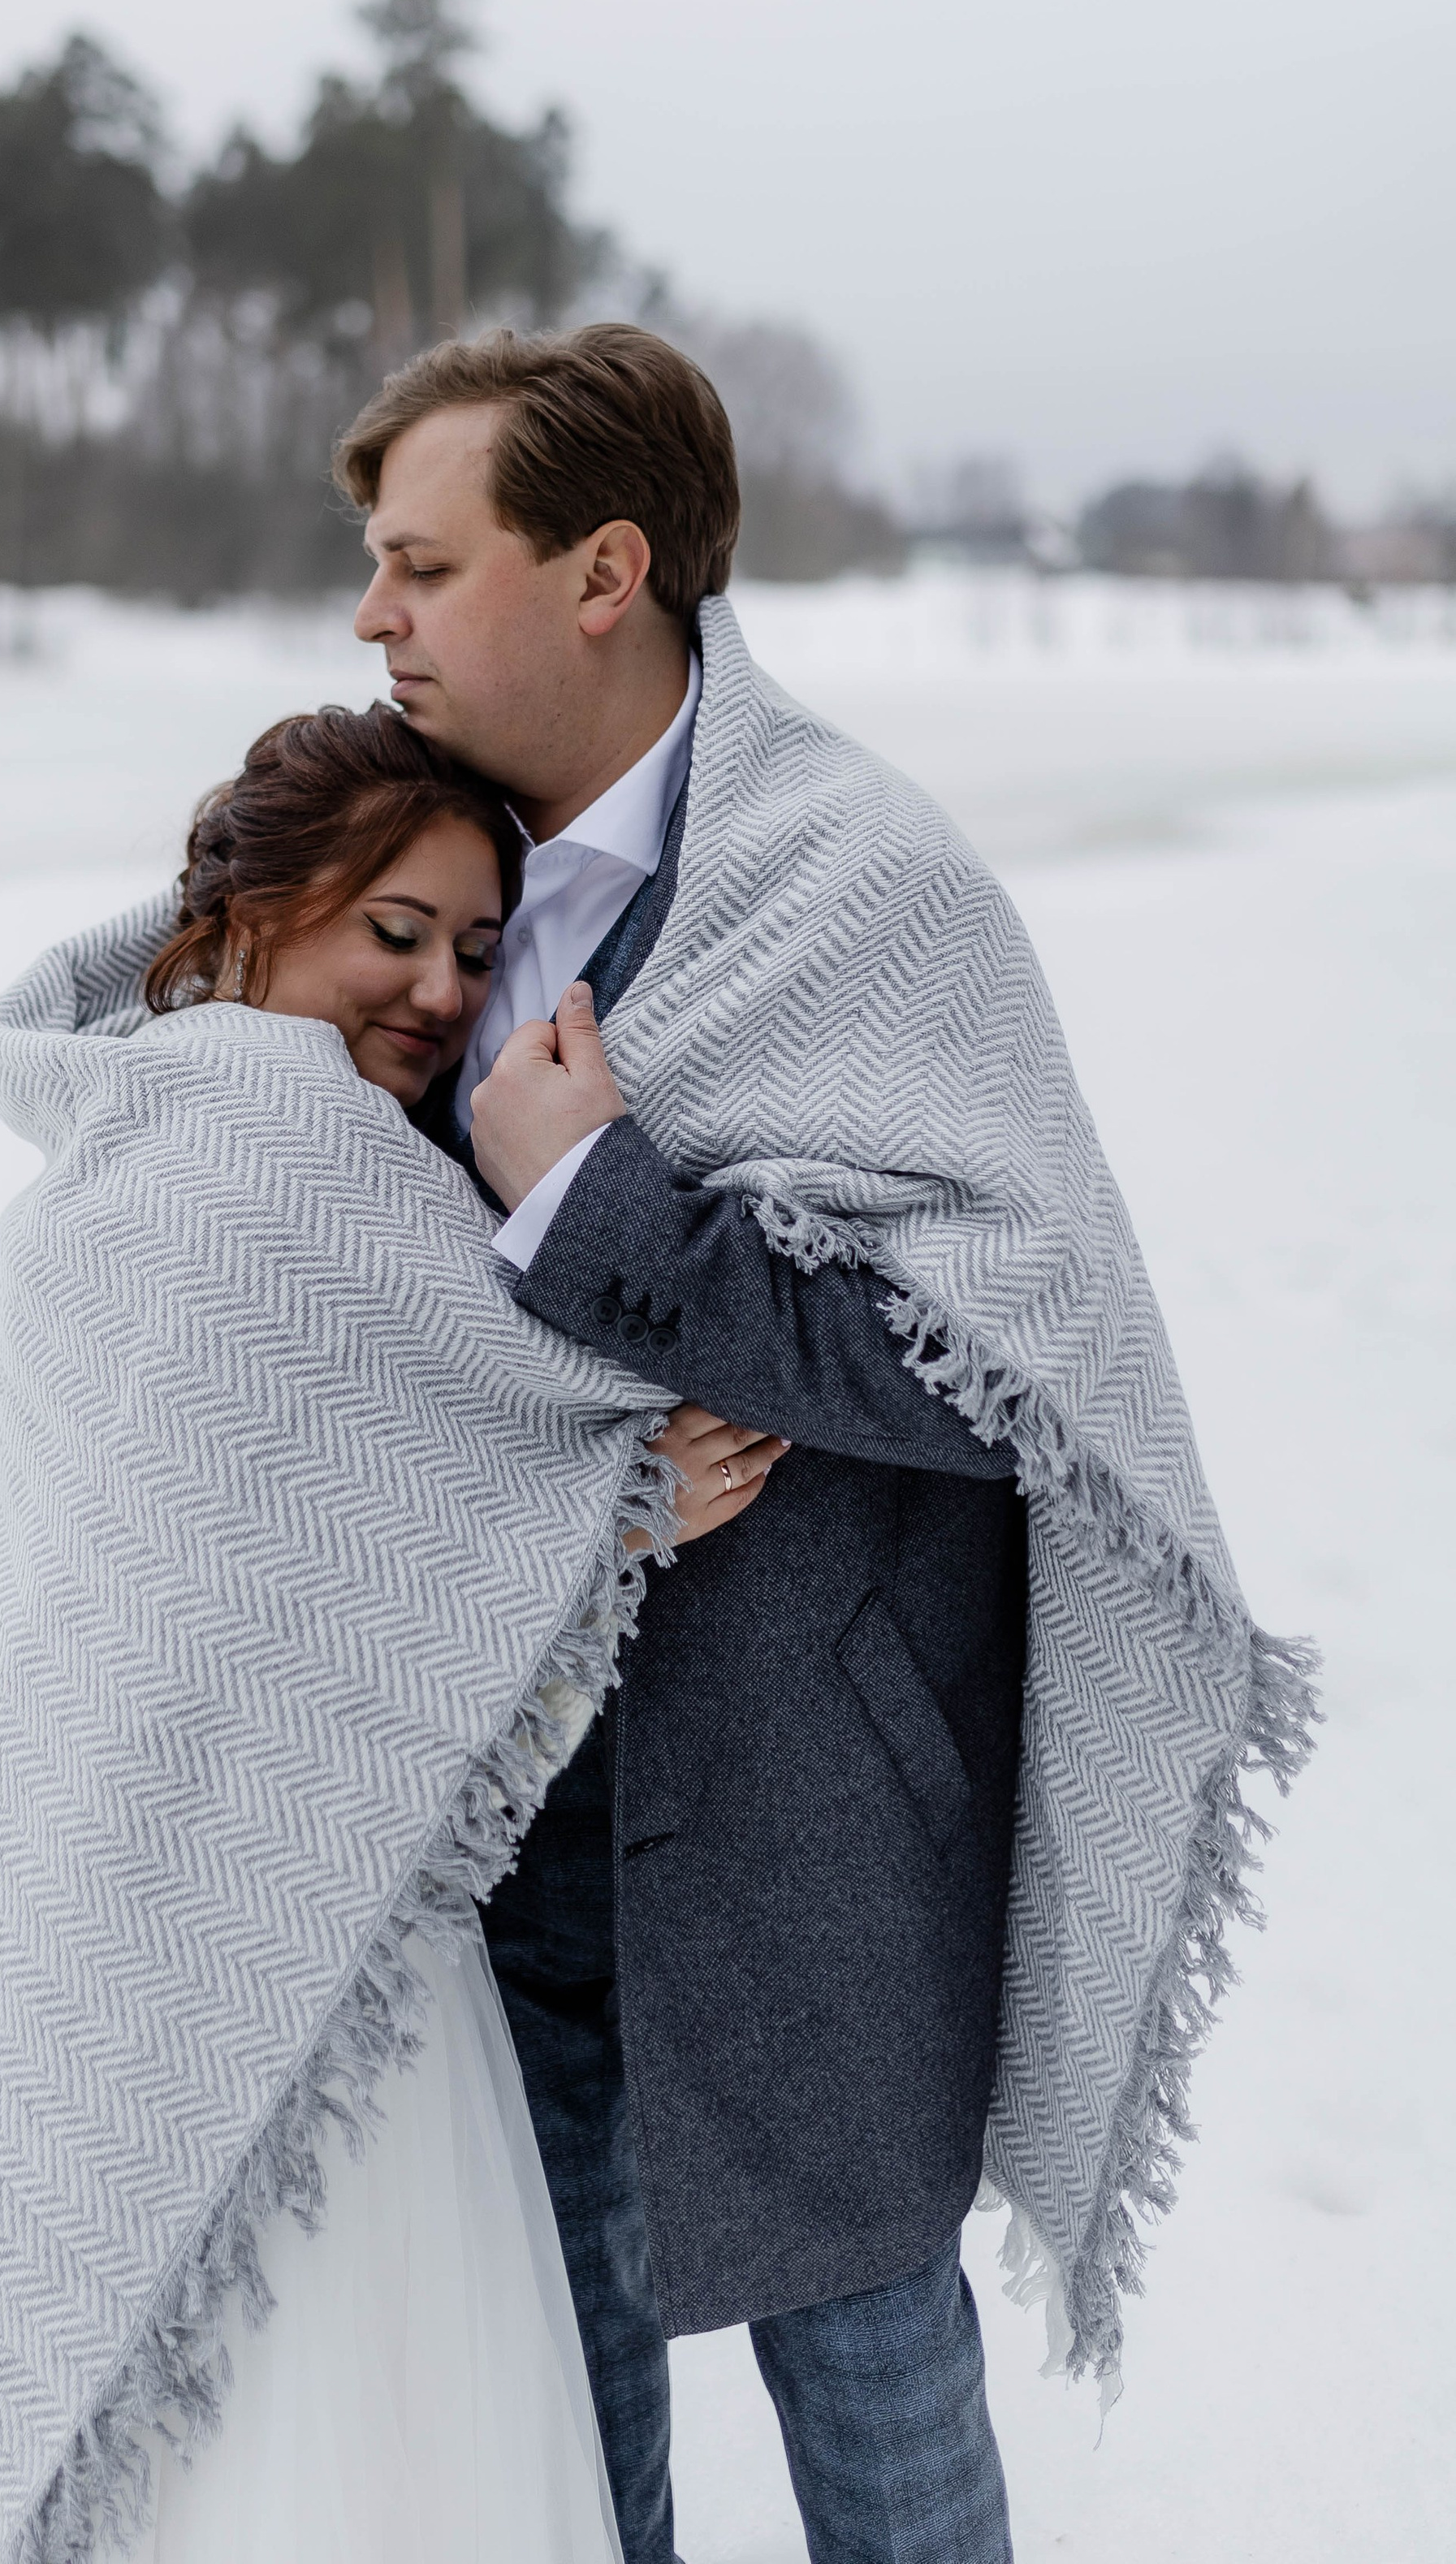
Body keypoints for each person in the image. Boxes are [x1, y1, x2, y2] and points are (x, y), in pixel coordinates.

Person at [335, 322, 1315, 2564]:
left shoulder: (865, 880)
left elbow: (995, 1367)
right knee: (561, 2449)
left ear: (605, 570)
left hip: (809, 1823)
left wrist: (602, 1206)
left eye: (418, 562)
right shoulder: (399, 865)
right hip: (485, 1788)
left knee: (885, 2439)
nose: (372, 614)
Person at [0, 699, 787, 2564]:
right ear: (253, 918)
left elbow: (345, 1518)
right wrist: (622, 1495)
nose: (432, 993)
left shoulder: (130, 1131)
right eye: (389, 931)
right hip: (237, 1904)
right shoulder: (269, 1153)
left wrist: (592, 1489)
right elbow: (231, 1553)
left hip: (224, 1890)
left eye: (478, 952)